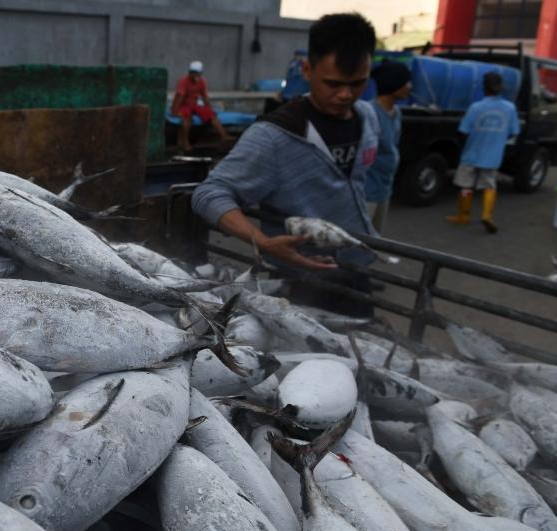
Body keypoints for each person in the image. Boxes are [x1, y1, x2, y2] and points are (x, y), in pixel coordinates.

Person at [191, 13, 379, 316]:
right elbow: (209, 194)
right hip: (300, 280)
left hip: (355, 269)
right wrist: (264, 243)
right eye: (333, 83)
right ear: (307, 69)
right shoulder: (273, 136)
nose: (346, 95)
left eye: (358, 83)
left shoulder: (367, 116)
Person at [446, 72, 520, 234]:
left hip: (472, 153)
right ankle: (487, 215)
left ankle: (463, 216)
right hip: (493, 155)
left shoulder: (476, 107)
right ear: (501, 88)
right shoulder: (510, 108)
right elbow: (514, 131)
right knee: (489, 184)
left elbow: (463, 130)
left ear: (484, 87)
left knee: (466, 185)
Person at [365, 60, 412, 233]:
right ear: (394, 84)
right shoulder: (369, 112)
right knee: (361, 236)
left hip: (385, 186)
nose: (410, 86)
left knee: (377, 236)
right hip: (367, 189)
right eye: (406, 82)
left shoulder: (396, 112)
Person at [171, 61, 232, 153]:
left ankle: (224, 136)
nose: (196, 75)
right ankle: (185, 142)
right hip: (183, 105)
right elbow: (180, 97)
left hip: (194, 105)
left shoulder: (202, 82)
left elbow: (205, 97)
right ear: (190, 73)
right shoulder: (183, 81)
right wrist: (175, 111)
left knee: (211, 115)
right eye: (194, 73)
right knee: (187, 118)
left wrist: (209, 109)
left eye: (198, 73)